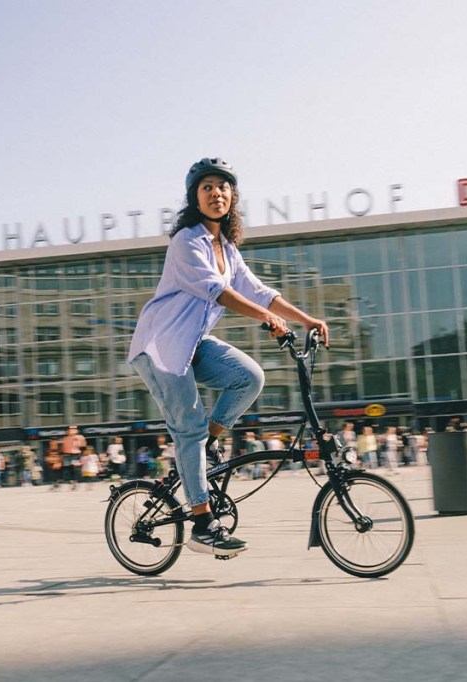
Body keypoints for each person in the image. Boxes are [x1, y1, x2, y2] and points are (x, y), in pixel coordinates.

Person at [127, 157, 329, 558]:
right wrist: (265, 318)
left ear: (232, 195)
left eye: (223, 186)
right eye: (207, 187)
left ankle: (207, 447)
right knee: (189, 428)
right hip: (161, 350)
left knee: (249, 377)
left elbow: (257, 290)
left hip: (191, 343)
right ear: (194, 197)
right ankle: (203, 524)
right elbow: (216, 291)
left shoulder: (227, 248)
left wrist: (307, 319)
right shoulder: (187, 241)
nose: (216, 193)